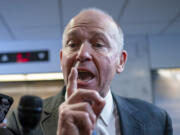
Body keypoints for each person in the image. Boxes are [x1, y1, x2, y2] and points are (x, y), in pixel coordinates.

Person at [6, 8, 172, 135]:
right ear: (62, 59)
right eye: (73, 44)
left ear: (120, 61)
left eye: (99, 44)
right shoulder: (20, 122)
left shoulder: (157, 120)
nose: (82, 54)